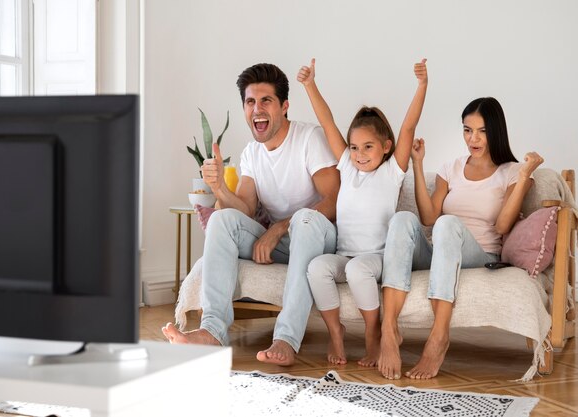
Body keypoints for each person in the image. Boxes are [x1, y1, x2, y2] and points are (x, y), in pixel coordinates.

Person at [162, 63, 340, 366]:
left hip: (319, 238)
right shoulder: (252, 153)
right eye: (250, 102)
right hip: (285, 245)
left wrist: (279, 228)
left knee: (305, 220)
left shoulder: (308, 138)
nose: (257, 109)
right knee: (221, 218)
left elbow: (335, 199)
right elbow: (243, 209)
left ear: (284, 106)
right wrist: (219, 188)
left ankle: (286, 338)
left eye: (266, 100)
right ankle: (213, 330)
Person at [378, 97, 544, 380]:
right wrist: (418, 166)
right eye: (467, 130)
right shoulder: (451, 168)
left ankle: (439, 337)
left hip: (480, 254)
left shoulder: (512, 172)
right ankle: (388, 331)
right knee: (402, 219)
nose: (473, 138)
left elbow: (504, 225)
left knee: (447, 225)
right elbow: (428, 218)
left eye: (481, 131)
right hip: (442, 248)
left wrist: (526, 172)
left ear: (496, 131)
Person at [296, 58, 428, 366]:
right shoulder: (346, 167)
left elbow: (408, 125)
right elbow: (327, 122)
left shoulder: (393, 171)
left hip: (378, 258)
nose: (358, 154)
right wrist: (309, 84)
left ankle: (373, 334)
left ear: (386, 146)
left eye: (368, 147)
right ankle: (335, 332)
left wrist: (422, 85)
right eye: (354, 147)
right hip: (346, 254)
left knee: (358, 270)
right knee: (317, 267)